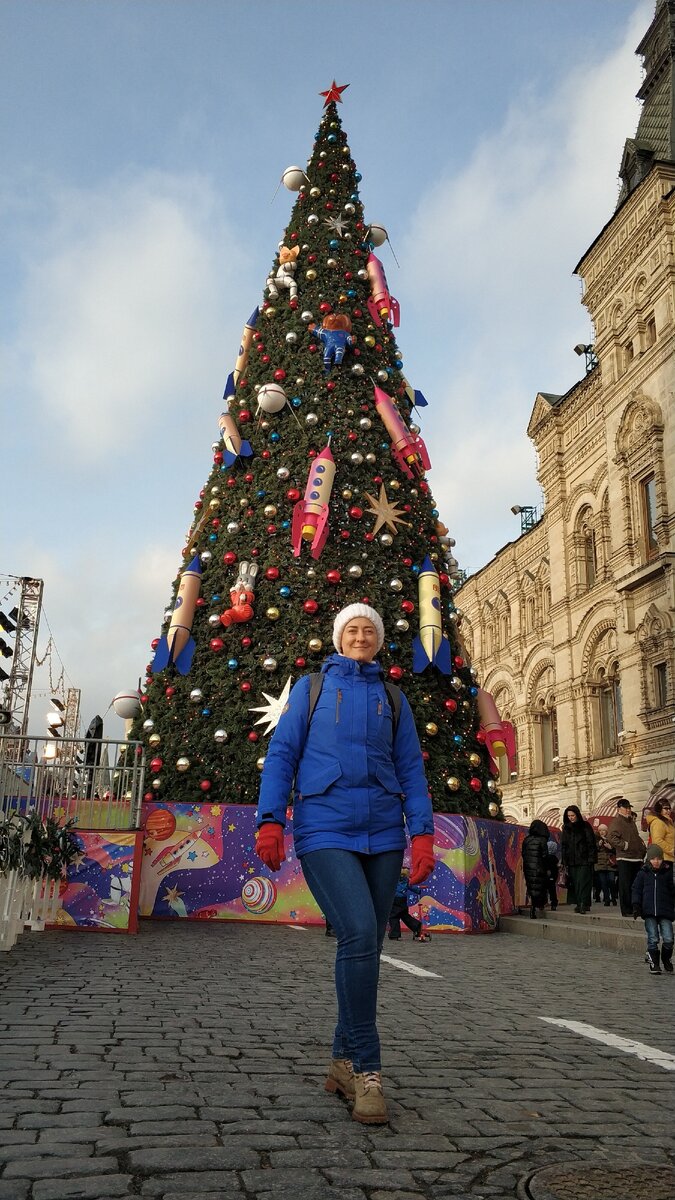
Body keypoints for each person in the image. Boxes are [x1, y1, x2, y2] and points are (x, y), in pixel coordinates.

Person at [255, 603, 435, 1125]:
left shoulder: (393, 699)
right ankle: (368, 1070)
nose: (360, 636)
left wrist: (421, 834)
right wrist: (272, 819)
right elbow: (282, 756)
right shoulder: (311, 691)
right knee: (357, 930)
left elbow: (410, 770)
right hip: (325, 826)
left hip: (382, 830)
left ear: (379, 641)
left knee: (368, 943)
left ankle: (339, 1060)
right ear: (338, 639)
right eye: (352, 629)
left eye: (369, 630)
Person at [631, 845, 674, 975]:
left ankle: (666, 959)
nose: (656, 861)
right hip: (649, 911)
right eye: (653, 859)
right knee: (653, 938)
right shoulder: (643, 873)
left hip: (665, 910)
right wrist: (636, 905)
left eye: (659, 859)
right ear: (649, 859)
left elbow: (672, 891)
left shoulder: (666, 873)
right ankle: (654, 963)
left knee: (668, 938)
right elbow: (636, 890)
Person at [608, 798, 646, 915]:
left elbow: (635, 837)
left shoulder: (631, 821)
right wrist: (624, 846)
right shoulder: (617, 822)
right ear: (619, 809)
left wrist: (641, 848)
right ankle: (626, 909)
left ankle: (635, 908)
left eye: (629, 807)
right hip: (625, 858)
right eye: (626, 808)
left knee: (636, 884)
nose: (628, 810)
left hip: (636, 857)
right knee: (625, 885)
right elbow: (611, 837)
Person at [560, 806, 597, 914]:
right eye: (569, 816)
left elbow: (591, 843)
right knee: (575, 883)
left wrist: (591, 858)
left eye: (572, 815)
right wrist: (564, 860)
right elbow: (564, 845)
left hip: (584, 859)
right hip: (571, 860)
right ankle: (579, 902)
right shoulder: (566, 828)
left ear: (577, 814)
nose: (571, 818)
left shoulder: (585, 826)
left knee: (583, 882)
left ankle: (583, 903)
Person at [388, 866, 430, 941]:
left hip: (395, 899)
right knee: (404, 915)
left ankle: (394, 934)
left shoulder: (394, 880)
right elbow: (412, 887)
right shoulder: (406, 881)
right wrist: (418, 890)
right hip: (403, 900)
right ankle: (417, 927)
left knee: (393, 917)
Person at [521, 819, 550, 918]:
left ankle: (533, 907)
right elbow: (545, 856)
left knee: (531, 887)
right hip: (539, 867)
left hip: (528, 867)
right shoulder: (542, 840)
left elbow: (523, 854)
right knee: (540, 887)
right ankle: (539, 905)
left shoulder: (526, 839)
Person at [645, 798, 674, 881]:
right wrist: (672, 850)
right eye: (665, 808)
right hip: (663, 859)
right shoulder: (658, 822)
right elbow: (657, 841)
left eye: (669, 808)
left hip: (668, 858)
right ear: (659, 810)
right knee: (664, 886)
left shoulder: (667, 821)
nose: (668, 811)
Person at [595, 824, 617, 906]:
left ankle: (613, 898)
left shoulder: (611, 839)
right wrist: (598, 845)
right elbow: (593, 850)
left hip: (610, 863)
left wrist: (610, 847)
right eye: (600, 830)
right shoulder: (596, 839)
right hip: (600, 863)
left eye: (603, 830)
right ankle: (606, 899)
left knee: (611, 881)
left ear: (607, 831)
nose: (602, 832)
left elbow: (616, 850)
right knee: (603, 882)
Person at [545, 837, 560, 911]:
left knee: (545, 889)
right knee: (552, 890)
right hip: (553, 876)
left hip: (546, 876)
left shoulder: (546, 858)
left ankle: (544, 902)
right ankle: (554, 903)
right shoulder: (555, 858)